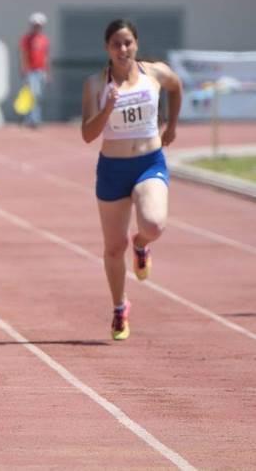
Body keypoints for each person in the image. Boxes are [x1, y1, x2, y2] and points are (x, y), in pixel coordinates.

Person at [81, 19, 182, 341]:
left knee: (153, 224)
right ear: (107, 49)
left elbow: (176, 87)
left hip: (148, 162)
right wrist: (107, 108)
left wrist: (172, 127)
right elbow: (87, 135)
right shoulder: (96, 85)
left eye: (127, 43)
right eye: (116, 44)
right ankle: (119, 306)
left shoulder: (155, 74)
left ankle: (141, 244)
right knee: (113, 247)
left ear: (136, 44)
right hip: (112, 168)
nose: (122, 49)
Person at [18, 12, 51, 128]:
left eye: (39, 25)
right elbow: (24, 54)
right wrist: (24, 68)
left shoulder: (44, 40)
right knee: (33, 95)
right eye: (35, 25)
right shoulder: (26, 39)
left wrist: (47, 72)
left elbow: (46, 57)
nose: (37, 27)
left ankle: (30, 119)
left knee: (38, 96)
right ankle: (34, 120)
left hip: (41, 71)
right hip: (31, 71)